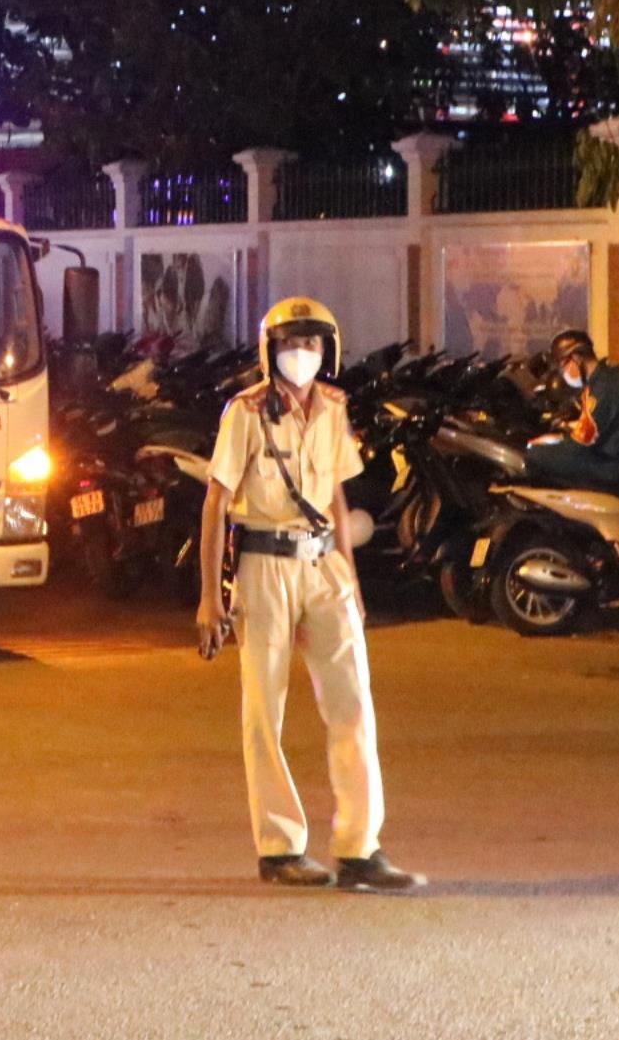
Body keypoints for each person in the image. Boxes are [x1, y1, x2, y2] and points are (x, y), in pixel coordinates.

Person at [194, 296, 423, 893]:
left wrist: (352, 577)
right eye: (293, 344)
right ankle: (279, 846)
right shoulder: (244, 413)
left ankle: (359, 845)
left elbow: (337, 498)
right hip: (263, 566)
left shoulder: (334, 409)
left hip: (324, 565)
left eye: (314, 345)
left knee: (352, 705)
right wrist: (208, 598)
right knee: (263, 710)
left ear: (329, 352)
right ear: (271, 352)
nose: (303, 355)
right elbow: (217, 501)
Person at [523, 330, 619, 489]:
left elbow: (579, 447)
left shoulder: (602, 389)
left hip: (613, 467)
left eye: (563, 366)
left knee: (534, 455)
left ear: (576, 358)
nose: (563, 374)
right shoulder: (613, 377)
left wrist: (545, 446)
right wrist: (561, 438)